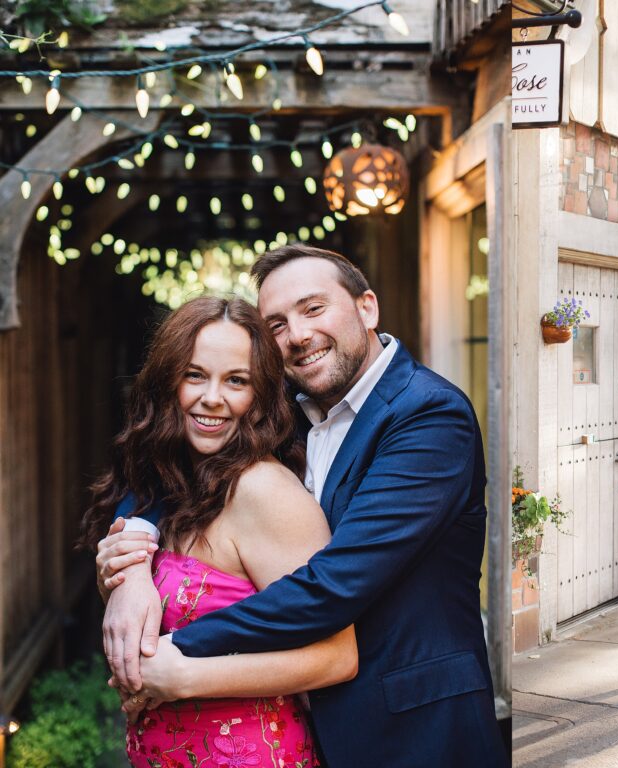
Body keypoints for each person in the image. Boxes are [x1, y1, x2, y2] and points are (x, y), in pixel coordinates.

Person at [95, 245, 509, 767]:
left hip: (413, 726)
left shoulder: (428, 415)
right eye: (277, 324)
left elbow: (335, 584)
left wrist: (174, 650)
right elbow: (169, 464)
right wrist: (134, 558)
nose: (298, 335)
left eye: (313, 309)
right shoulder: (284, 411)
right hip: (298, 729)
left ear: (367, 307)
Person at [82, 296, 358, 766]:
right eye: (195, 375)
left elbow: (337, 658)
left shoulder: (265, 492)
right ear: (167, 381)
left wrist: (186, 678)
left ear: (260, 394)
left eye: (236, 380)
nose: (213, 397)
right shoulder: (172, 481)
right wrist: (123, 580)